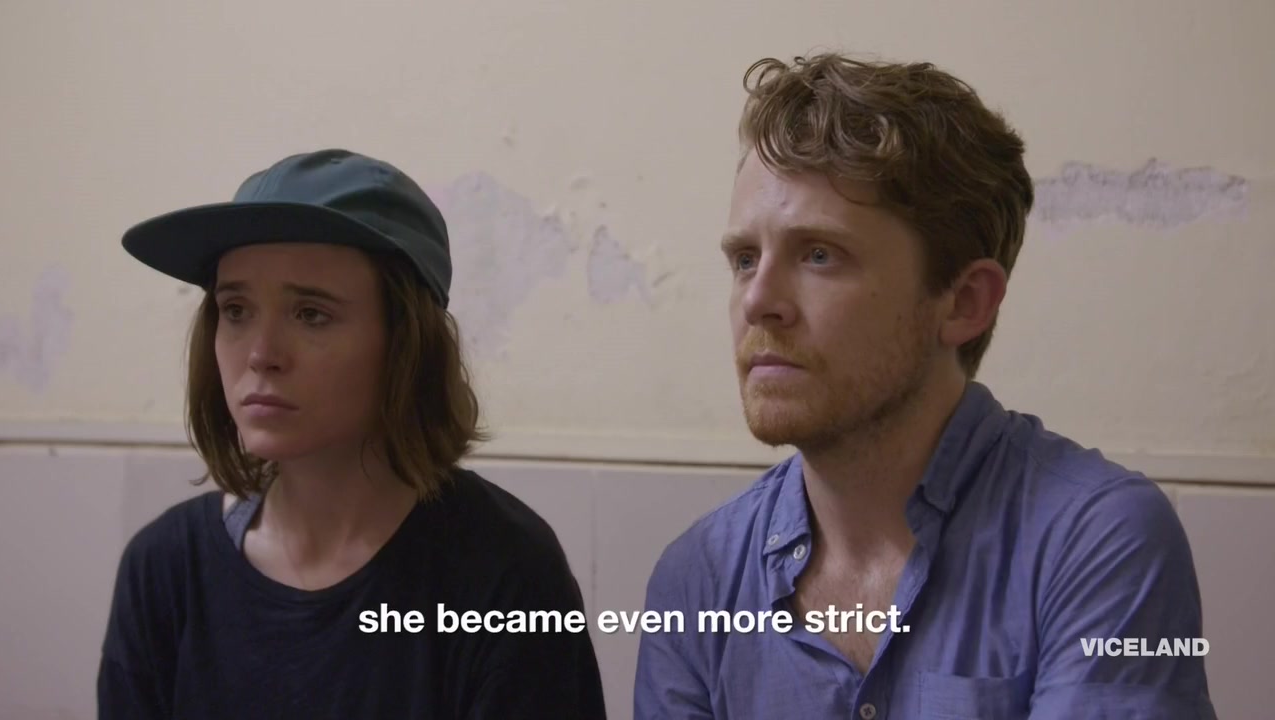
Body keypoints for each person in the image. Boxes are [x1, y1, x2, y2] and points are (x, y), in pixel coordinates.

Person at [634, 54, 1216, 719]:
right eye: (744, 259)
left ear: (965, 302)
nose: (758, 300)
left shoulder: (1095, 541)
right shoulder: (700, 580)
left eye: (819, 255)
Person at [99, 149, 607, 719]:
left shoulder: (504, 575)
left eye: (310, 314)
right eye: (236, 309)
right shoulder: (166, 570)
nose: (262, 354)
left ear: (406, 345)